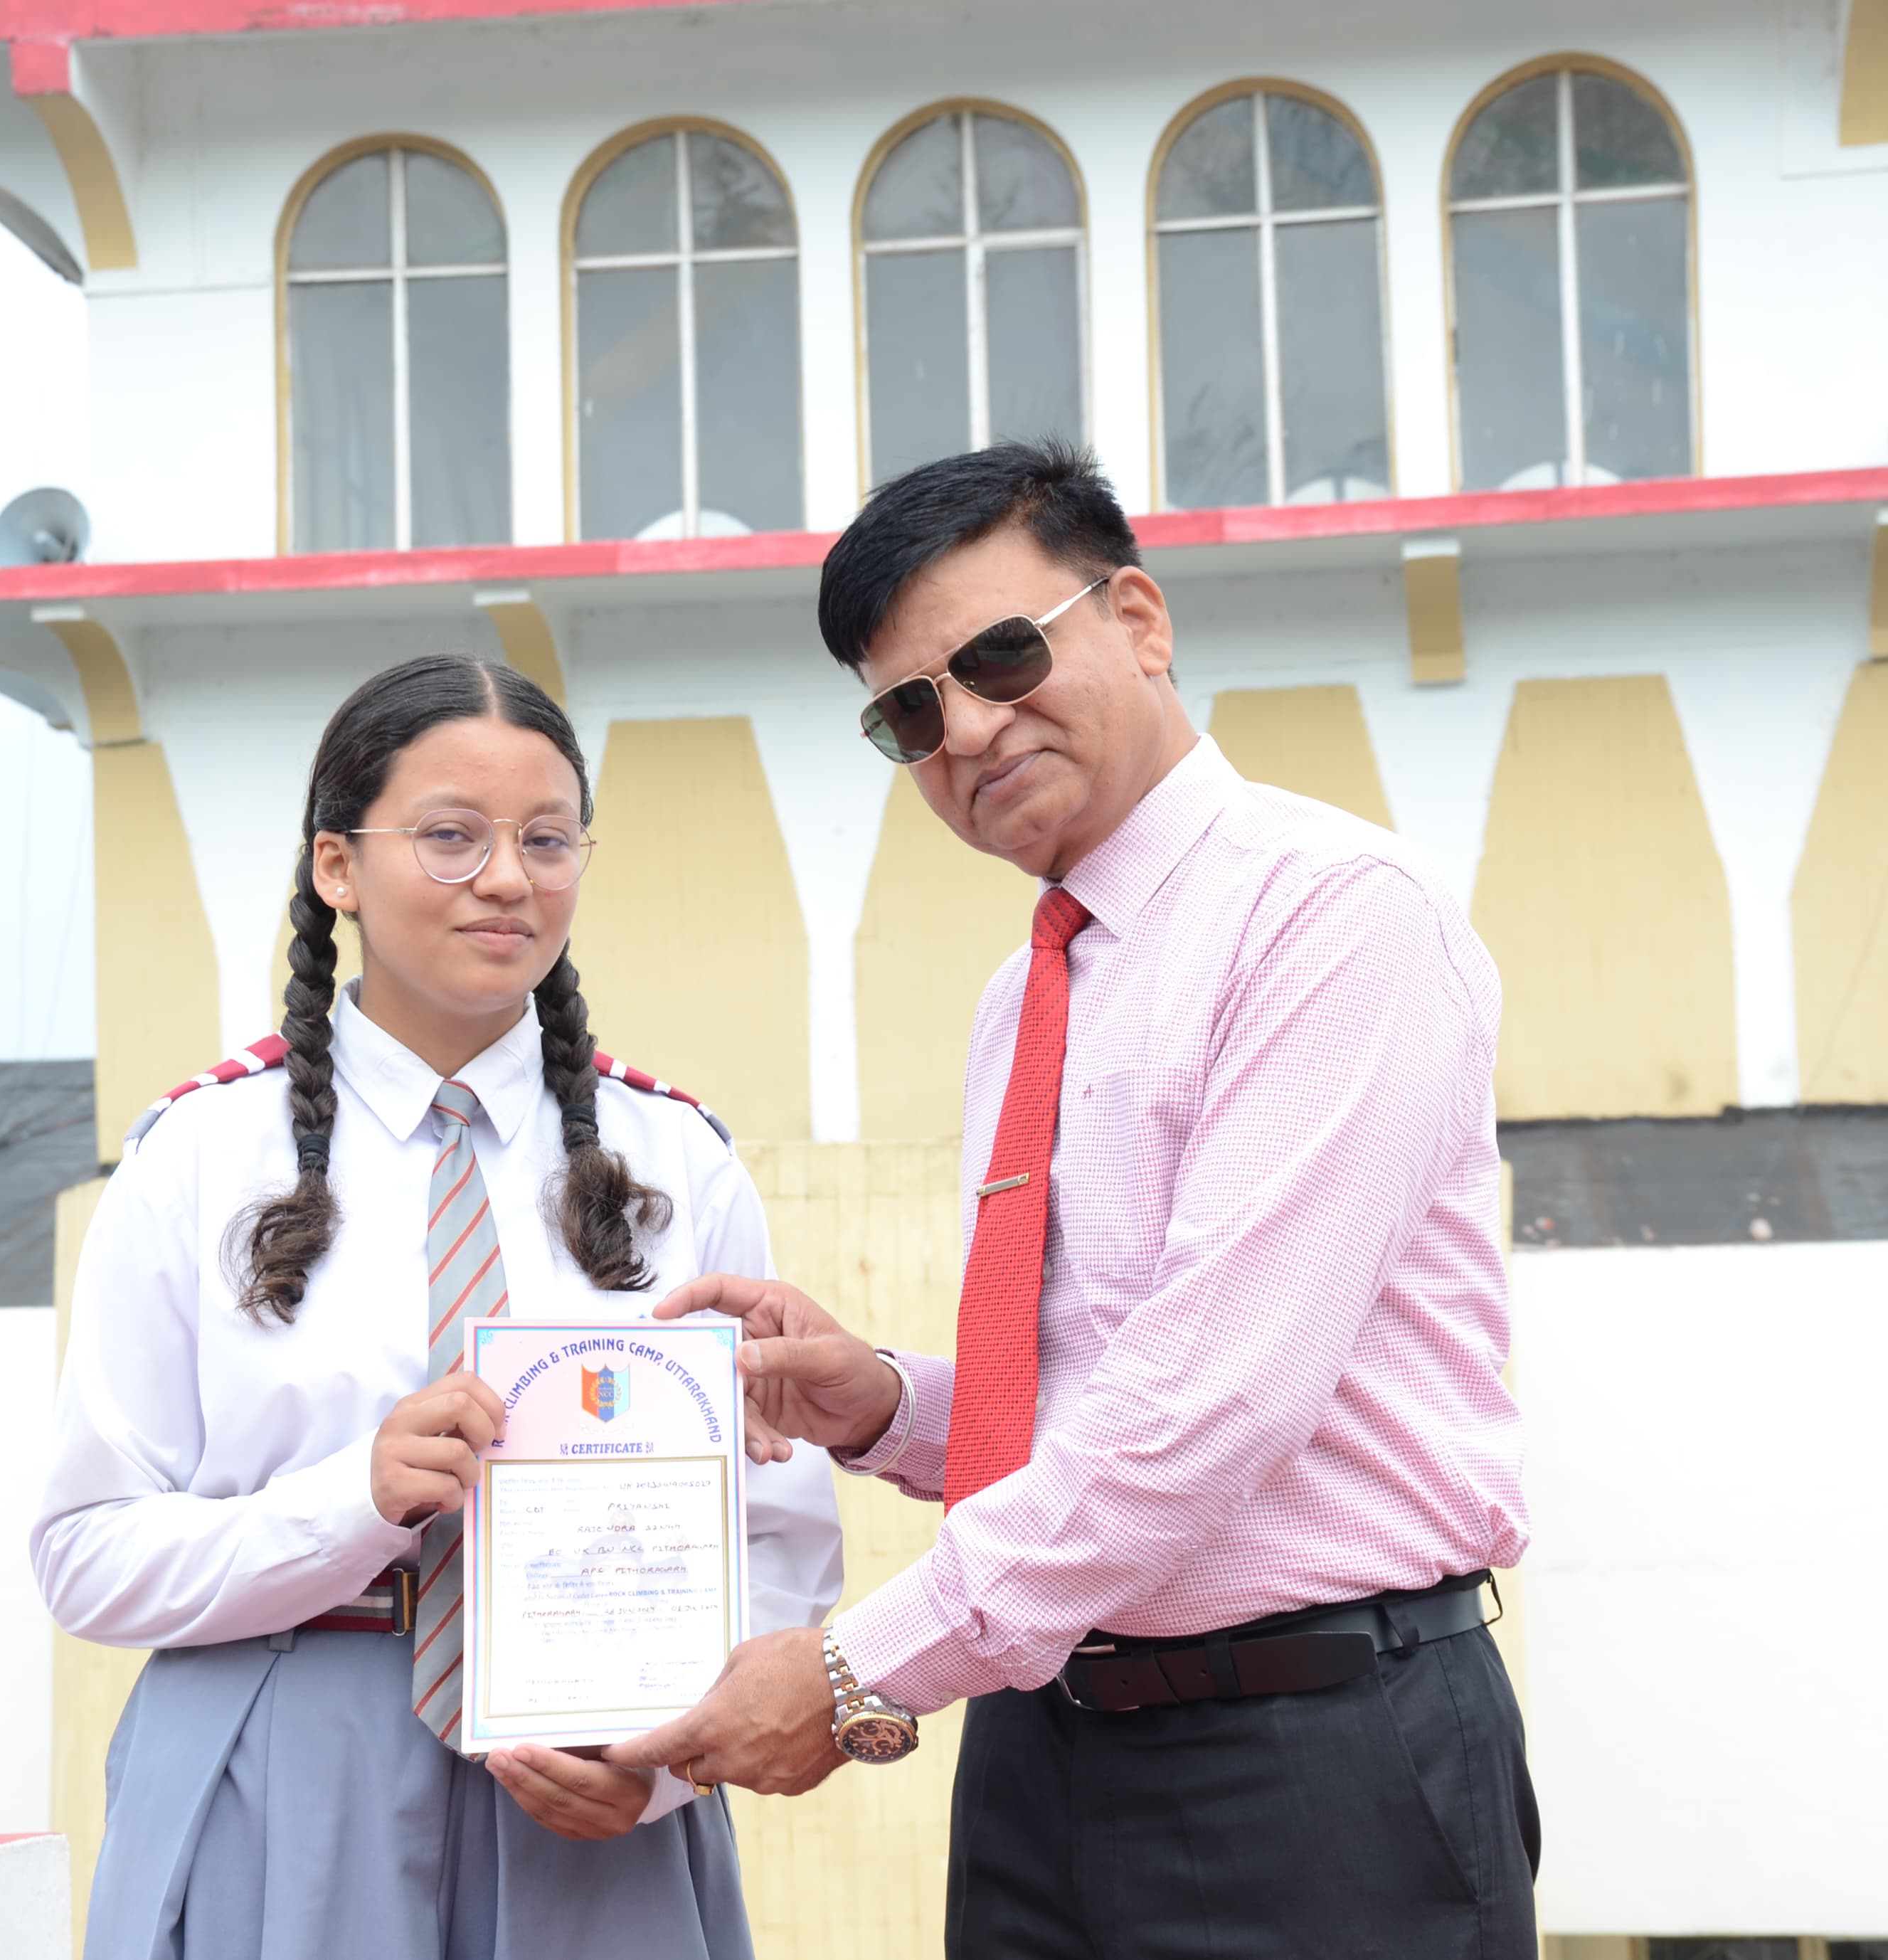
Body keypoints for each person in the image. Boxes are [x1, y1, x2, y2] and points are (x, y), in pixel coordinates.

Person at [609, 442, 1536, 1959]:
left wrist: (852, 1669)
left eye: (1000, 655)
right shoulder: (1024, 994)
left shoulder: (1332, 917)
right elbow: (1102, 1387)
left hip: (1315, 1755)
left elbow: (1211, 1403)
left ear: (1140, 621)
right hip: (1044, 1746)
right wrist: (885, 1404)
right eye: (913, 713)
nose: (969, 728)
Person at [34, 655, 842, 1960]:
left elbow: (781, 1537)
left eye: (548, 840)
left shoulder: (680, 1162)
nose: (509, 879)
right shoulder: (196, 1158)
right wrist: (349, 1501)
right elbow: (85, 1554)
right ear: (338, 866)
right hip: (285, 1760)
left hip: (597, 1785)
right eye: (451, 837)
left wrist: (667, 1767)